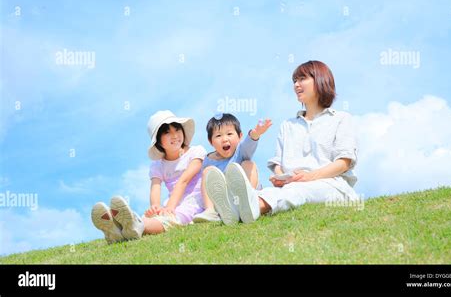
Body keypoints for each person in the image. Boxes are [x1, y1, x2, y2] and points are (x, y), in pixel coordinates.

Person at [210, 60, 359, 225]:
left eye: (302, 79)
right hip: (292, 186)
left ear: (320, 80)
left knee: (298, 190)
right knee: (281, 190)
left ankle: (250, 207)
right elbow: (277, 164)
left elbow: (344, 162)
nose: (296, 85)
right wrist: (281, 177)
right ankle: (234, 207)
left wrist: (309, 177)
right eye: (295, 81)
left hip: (333, 186)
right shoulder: (288, 125)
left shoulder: (341, 119)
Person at [91, 110, 206, 243]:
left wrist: (170, 207)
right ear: (158, 142)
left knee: (171, 219)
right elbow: (155, 187)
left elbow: (183, 181)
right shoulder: (158, 165)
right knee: (151, 217)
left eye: (177, 130)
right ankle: (116, 229)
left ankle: (133, 226)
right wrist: (156, 206)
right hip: (172, 203)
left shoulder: (196, 152)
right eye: (167, 132)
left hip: (194, 201)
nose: (174, 135)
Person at [193, 113, 272, 224]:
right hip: (228, 202)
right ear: (211, 141)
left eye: (229, 134)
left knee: (249, 164)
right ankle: (210, 211)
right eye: (218, 136)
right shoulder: (209, 160)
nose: (224, 139)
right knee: (207, 172)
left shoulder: (241, 151)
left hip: (248, 197)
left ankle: (248, 203)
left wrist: (256, 133)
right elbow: (209, 186)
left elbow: (249, 143)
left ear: (240, 136)